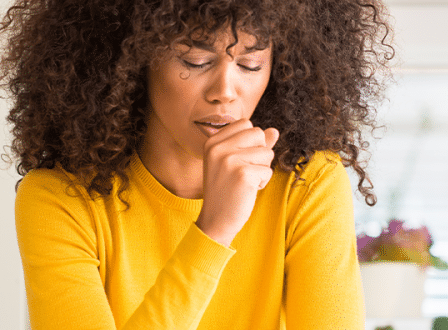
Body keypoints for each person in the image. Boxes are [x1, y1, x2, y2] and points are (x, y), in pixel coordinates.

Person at [1, 0, 393, 329]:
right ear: (135, 61)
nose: (225, 91)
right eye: (197, 59)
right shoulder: (59, 199)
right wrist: (214, 231)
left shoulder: (308, 182)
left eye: (250, 65)